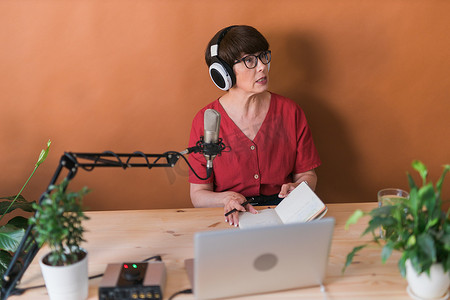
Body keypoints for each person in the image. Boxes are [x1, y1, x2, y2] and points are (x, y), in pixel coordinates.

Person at [188, 25, 321, 227]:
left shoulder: (290, 111)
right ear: (223, 72)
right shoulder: (206, 120)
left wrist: (299, 187)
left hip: (283, 216)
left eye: (263, 56)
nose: (262, 66)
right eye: (249, 60)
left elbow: (307, 174)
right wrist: (226, 199)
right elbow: (198, 194)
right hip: (229, 219)